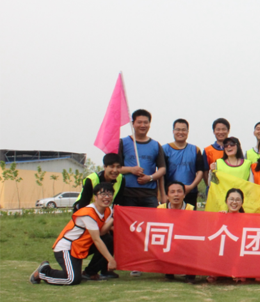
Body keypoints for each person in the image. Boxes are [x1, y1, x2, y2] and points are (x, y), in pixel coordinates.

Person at [30, 183, 116, 286]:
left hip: (81, 246)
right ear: (95, 197)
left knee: (108, 239)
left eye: (110, 194)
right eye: (102, 194)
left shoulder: (108, 210)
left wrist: (113, 218)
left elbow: (102, 232)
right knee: (71, 279)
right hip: (67, 247)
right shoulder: (88, 213)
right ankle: (43, 271)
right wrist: (111, 260)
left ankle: (90, 273)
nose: (107, 197)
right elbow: (96, 239)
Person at [74, 153, 124, 281]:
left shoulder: (121, 179)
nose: (115, 170)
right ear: (104, 166)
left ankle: (102, 270)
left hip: (104, 215)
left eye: (118, 167)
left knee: (112, 237)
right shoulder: (92, 179)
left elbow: (118, 204)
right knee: (102, 239)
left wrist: (112, 223)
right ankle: (90, 270)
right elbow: (83, 205)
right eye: (111, 166)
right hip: (85, 215)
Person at [119, 109, 166, 208]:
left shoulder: (155, 145)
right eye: (139, 122)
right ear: (133, 124)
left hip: (149, 194)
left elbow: (162, 169)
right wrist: (131, 170)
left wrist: (150, 178)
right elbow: (116, 168)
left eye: (145, 122)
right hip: (127, 193)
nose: (142, 125)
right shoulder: (123, 143)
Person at [157, 181, 196, 282]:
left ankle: (190, 274)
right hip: (167, 241)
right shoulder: (160, 209)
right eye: (172, 192)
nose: (176, 194)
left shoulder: (191, 209)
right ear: (167, 195)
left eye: (179, 191)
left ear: (184, 195)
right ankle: (168, 272)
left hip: (185, 242)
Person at [161, 119, 204, 208]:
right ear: (173, 131)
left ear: (187, 132)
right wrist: (162, 194)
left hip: (190, 192)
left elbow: (200, 171)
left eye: (183, 130)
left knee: (190, 216)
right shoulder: (164, 149)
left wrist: (191, 186)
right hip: (171, 193)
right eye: (178, 129)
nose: (180, 132)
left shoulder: (195, 150)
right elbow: (161, 172)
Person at [208, 188, 245, 284]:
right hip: (223, 250)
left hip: (238, 251)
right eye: (231, 199)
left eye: (237, 200)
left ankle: (236, 270)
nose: (234, 202)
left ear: (242, 202)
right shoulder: (221, 216)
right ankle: (215, 271)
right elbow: (213, 236)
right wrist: (219, 219)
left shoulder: (246, 218)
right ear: (226, 201)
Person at [204, 118, 231, 184]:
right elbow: (205, 172)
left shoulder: (234, 149)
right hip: (214, 187)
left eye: (223, 129)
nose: (221, 132)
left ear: (228, 131)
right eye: (218, 129)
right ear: (214, 131)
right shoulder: (207, 150)